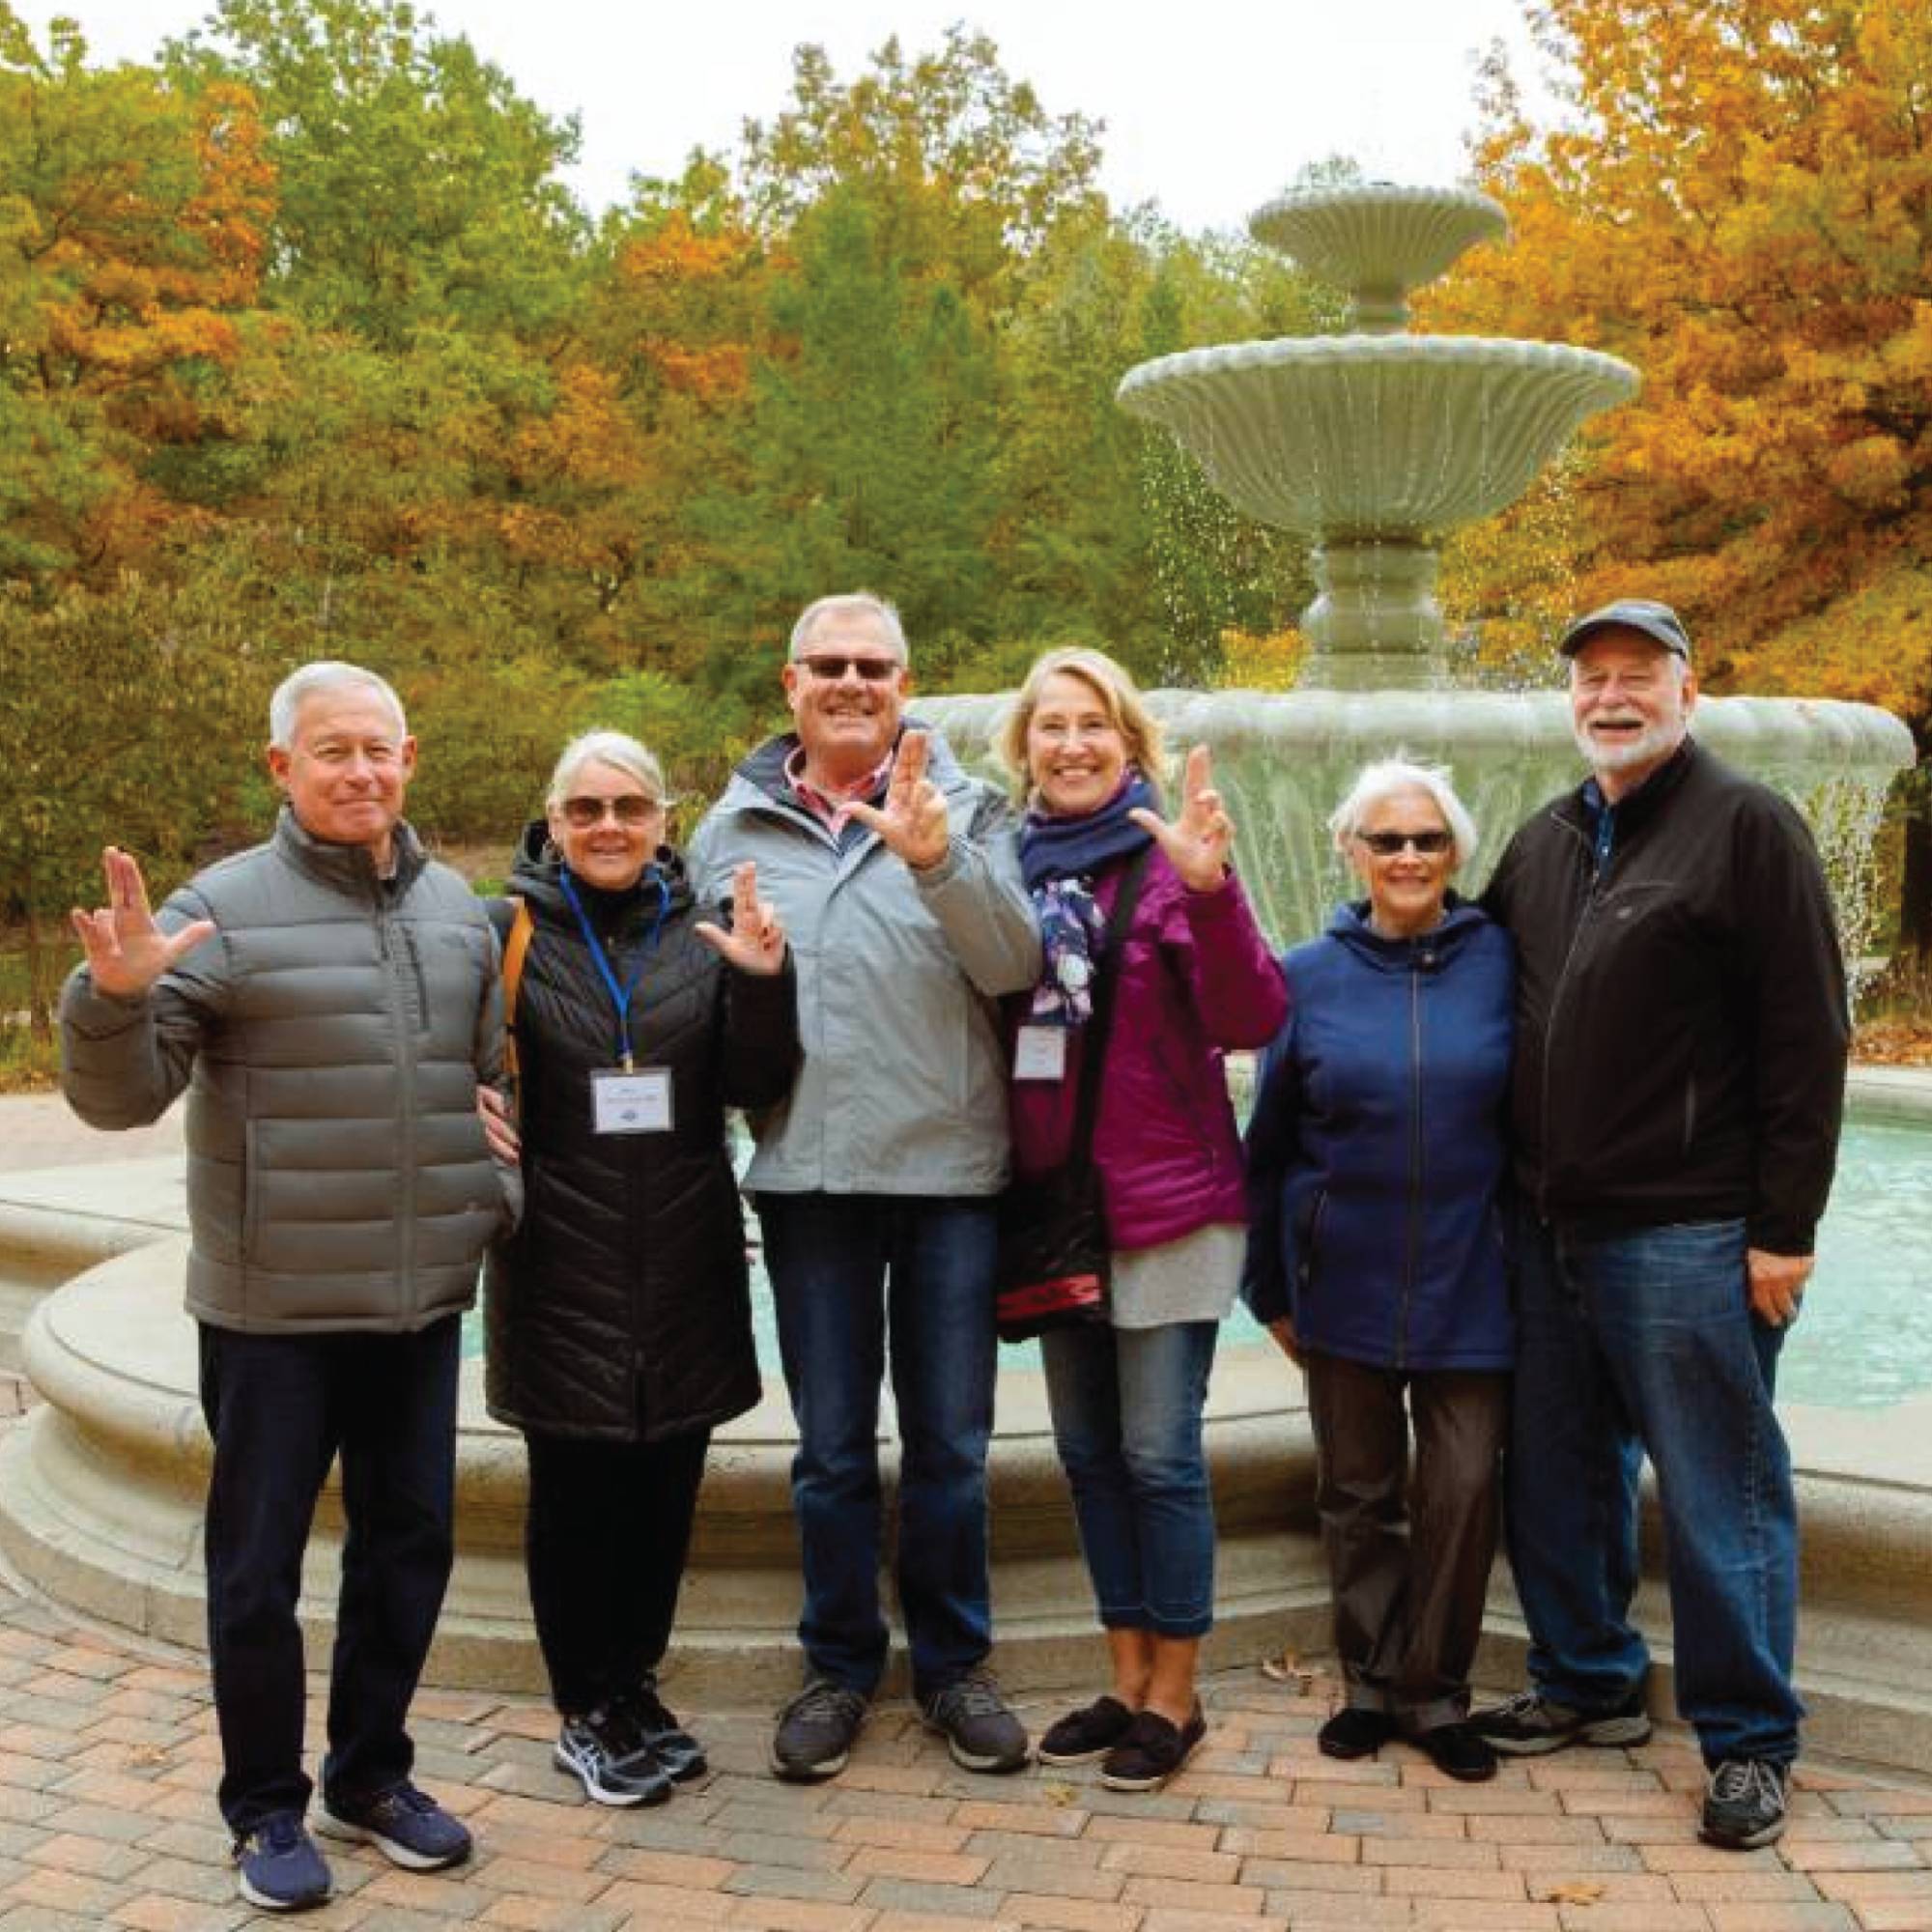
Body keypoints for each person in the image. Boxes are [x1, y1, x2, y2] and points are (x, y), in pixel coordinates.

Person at [59, 662, 511, 1913]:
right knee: (256, 1568)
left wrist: (495, 1191)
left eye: (380, 748)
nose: (361, 771)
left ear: (410, 756)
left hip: (417, 1305)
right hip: (274, 1313)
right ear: (282, 768)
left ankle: (370, 1775)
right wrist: (112, 995)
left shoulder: (458, 913)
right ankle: (262, 1810)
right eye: (333, 751)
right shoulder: (222, 911)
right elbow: (120, 1096)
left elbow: (492, 1083)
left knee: (407, 1547)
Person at [1472, 598, 1850, 1851]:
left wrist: (1783, 1228)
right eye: (1592, 680)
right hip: (1547, 1228)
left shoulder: (1746, 828)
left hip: (1690, 1230)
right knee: (1559, 1473)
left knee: (1718, 1490)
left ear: (1691, 688)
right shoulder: (1540, 843)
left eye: (1639, 675)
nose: (1612, 697)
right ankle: (1586, 1683)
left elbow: (1810, 1038)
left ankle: (1747, 1743)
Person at [689, 591, 1041, 1783]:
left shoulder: (976, 809)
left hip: (948, 1174)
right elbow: (694, 1004)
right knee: (832, 1448)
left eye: (873, 665)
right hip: (809, 1177)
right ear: (789, 681)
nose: (850, 681)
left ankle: (952, 1667)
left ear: (906, 682)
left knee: (948, 1442)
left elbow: (1014, 959)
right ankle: (838, 1665)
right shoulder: (730, 827)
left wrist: (936, 857)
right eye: (828, 664)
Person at [478, 730, 799, 1807]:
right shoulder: (503, 932)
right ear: (552, 818)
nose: (607, 825)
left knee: (665, 1489)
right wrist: (457, 1102)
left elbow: (757, 1081)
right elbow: (442, 1054)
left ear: (665, 817)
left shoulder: (706, 931)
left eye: (629, 805)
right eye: (585, 808)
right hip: (557, 1258)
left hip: (684, 1256)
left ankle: (634, 1686)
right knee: (576, 1499)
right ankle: (585, 1707)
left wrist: (763, 982)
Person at [1000, 647, 1287, 1792]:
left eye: (1094, 725)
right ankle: (1122, 1675)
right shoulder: (1007, 867)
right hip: (1051, 1207)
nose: (1071, 745)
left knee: (1158, 1454)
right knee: (1085, 1455)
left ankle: (1176, 1690)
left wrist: (1213, 895)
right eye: (1051, 726)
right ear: (1023, 746)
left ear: (1131, 744)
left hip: (1168, 1205)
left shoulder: (1171, 860)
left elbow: (1252, 1010)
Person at [1242, 759, 1515, 1783]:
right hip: (1340, 1276)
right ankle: (1366, 1679)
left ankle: (1434, 1691)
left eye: (1427, 840)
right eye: (1386, 839)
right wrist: (1269, 1285)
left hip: (1472, 1277)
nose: (1407, 856)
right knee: (1355, 1489)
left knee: (1458, 1487)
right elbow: (1264, 1145)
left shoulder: (1504, 961)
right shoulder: (1303, 972)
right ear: (1349, 850)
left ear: (1455, 854)